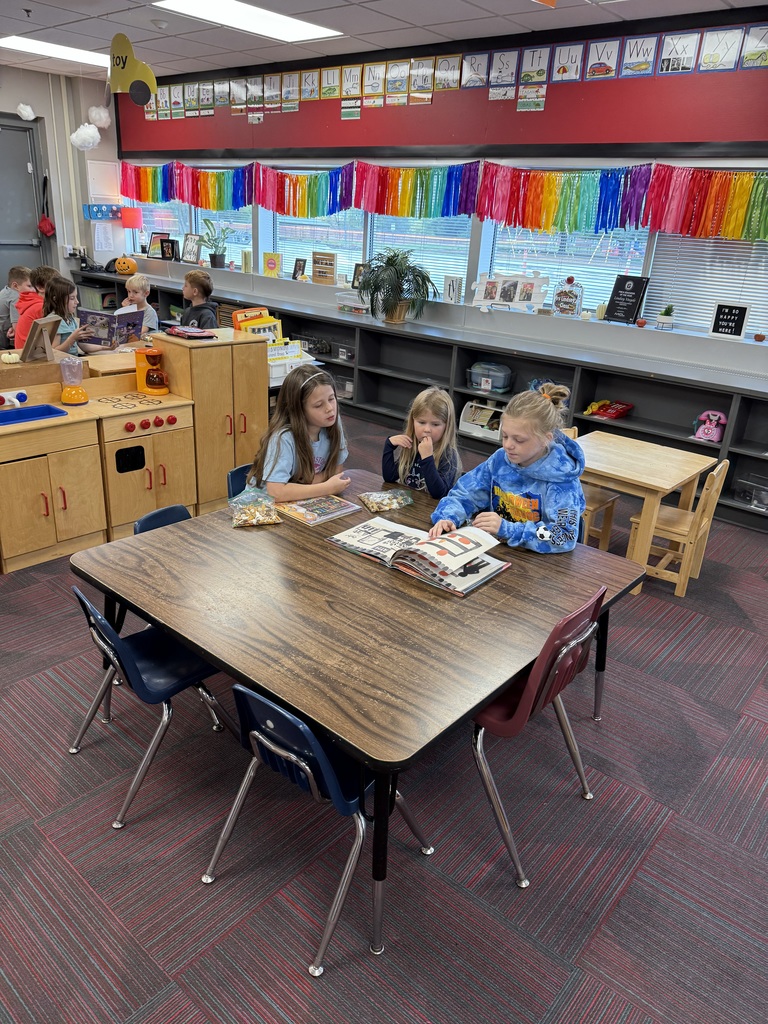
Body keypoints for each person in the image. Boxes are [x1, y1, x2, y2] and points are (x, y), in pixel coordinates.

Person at [429, 383, 585, 553]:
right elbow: (464, 493)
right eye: (504, 436)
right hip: (497, 551)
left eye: (519, 440)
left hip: (538, 566)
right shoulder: (500, 460)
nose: (508, 445)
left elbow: (562, 536)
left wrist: (508, 529)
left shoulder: (563, 480)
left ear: (546, 439)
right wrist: (448, 517)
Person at [246, 365, 350, 501]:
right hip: (261, 507)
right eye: (318, 405)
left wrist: (298, 486)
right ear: (298, 410)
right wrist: (326, 487)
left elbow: (336, 472)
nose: (330, 409)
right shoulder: (283, 438)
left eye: (331, 399)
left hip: (299, 501)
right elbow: (275, 492)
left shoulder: (333, 424)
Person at [382, 386, 461, 499]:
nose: (427, 429)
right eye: (421, 422)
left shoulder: (448, 455)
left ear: (446, 426)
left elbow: (439, 494)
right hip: (412, 507)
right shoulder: (412, 446)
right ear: (413, 421)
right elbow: (389, 477)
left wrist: (427, 458)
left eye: (435, 424)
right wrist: (389, 446)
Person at [42, 278, 101, 354]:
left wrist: (107, 347)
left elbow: (82, 345)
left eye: (76, 297)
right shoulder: (54, 320)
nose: (77, 302)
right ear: (56, 299)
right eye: (72, 298)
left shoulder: (70, 318)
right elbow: (54, 352)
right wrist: (72, 338)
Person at [14, 266, 60, 350]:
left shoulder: (33, 302)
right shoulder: (40, 307)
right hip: (31, 355)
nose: (59, 288)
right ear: (40, 287)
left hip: (27, 351)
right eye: (54, 285)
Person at [0, 266, 33, 348]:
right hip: (4, 344)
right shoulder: (15, 297)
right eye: (29, 286)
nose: (33, 290)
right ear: (15, 286)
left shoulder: (5, 291)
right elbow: (17, 328)